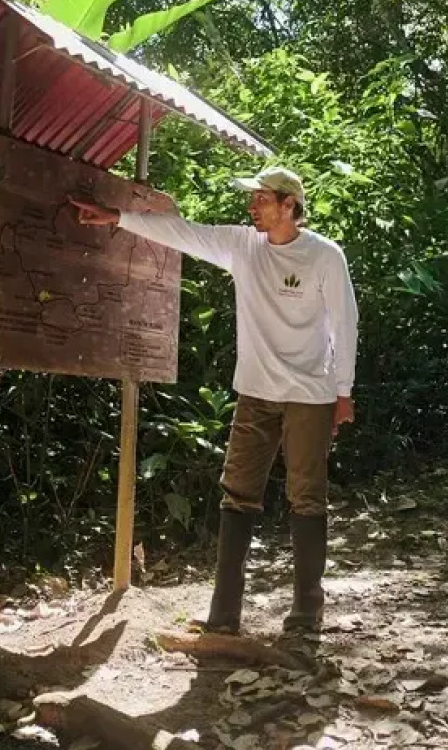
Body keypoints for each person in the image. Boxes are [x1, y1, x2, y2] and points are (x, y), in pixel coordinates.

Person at [69, 166, 357, 635]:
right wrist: (118, 216)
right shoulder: (243, 246)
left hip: (310, 394)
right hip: (255, 392)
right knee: (238, 495)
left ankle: (306, 613)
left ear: (289, 206)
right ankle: (224, 616)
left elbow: (345, 324)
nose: (253, 207)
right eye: (253, 199)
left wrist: (343, 392)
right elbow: (184, 233)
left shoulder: (324, 256)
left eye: (262, 199)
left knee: (306, 497)